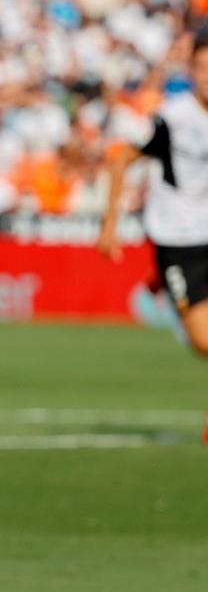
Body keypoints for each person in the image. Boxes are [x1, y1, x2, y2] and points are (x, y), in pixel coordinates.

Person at [97, 29, 208, 360]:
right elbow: (121, 160)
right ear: (190, 69)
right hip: (178, 238)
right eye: (202, 67)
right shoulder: (173, 118)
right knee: (203, 342)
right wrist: (109, 225)